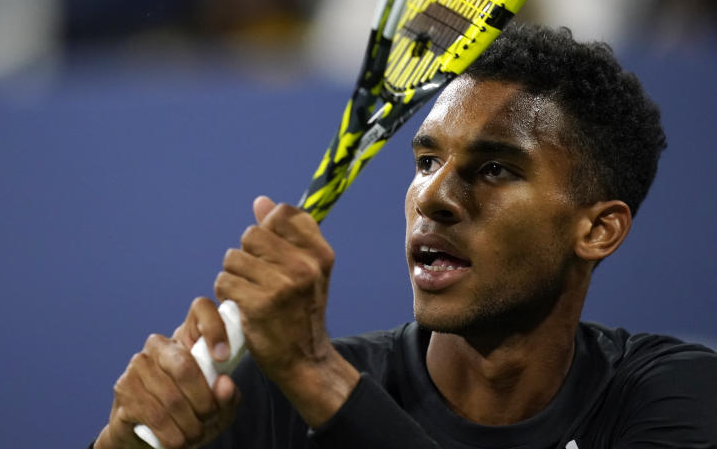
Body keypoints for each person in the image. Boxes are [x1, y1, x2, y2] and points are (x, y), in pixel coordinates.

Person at [91, 24, 717, 448]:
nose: (436, 197)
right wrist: (124, 440)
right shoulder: (261, 401)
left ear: (598, 229)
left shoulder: (671, 395)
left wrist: (317, 376)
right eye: (425, 162)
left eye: (494, 169)